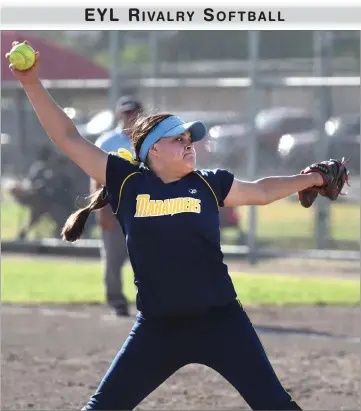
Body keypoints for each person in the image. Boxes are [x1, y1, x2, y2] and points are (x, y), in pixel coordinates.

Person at [7, 41, 330, 411]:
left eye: (190, 140)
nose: (189, 145)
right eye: (178, 140)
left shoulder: (210, 183)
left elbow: (260, 191)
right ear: (152, 151)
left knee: (276, 405)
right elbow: (67, 138)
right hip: (158, 327)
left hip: (221, 322)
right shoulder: (127, 183)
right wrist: (31, 83)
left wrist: (312, 180)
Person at [91, 96, 143, 317]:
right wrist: (100, 207)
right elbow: (96, 174)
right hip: (114, 207)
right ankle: (117, 300)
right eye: (126, 113)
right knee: (113, 258)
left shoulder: (152, 140)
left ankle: (150, 300)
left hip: (146, 207)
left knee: (148, 258)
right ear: (119, 115)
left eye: (134, 112)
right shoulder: (108, 141)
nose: (130, 117)